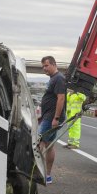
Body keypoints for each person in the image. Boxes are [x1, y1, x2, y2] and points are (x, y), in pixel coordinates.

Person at [39, 56, 66, 184]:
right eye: (43, 66)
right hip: (47, 117)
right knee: (48, 146)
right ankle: (46, 175)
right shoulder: (53, 79)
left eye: (46, 65)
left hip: (51, 118)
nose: (44, 68)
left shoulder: (59, 78)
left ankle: (40, 173)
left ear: (54, 64)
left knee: (38, 144)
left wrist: (56, 118)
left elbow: (61, 98)